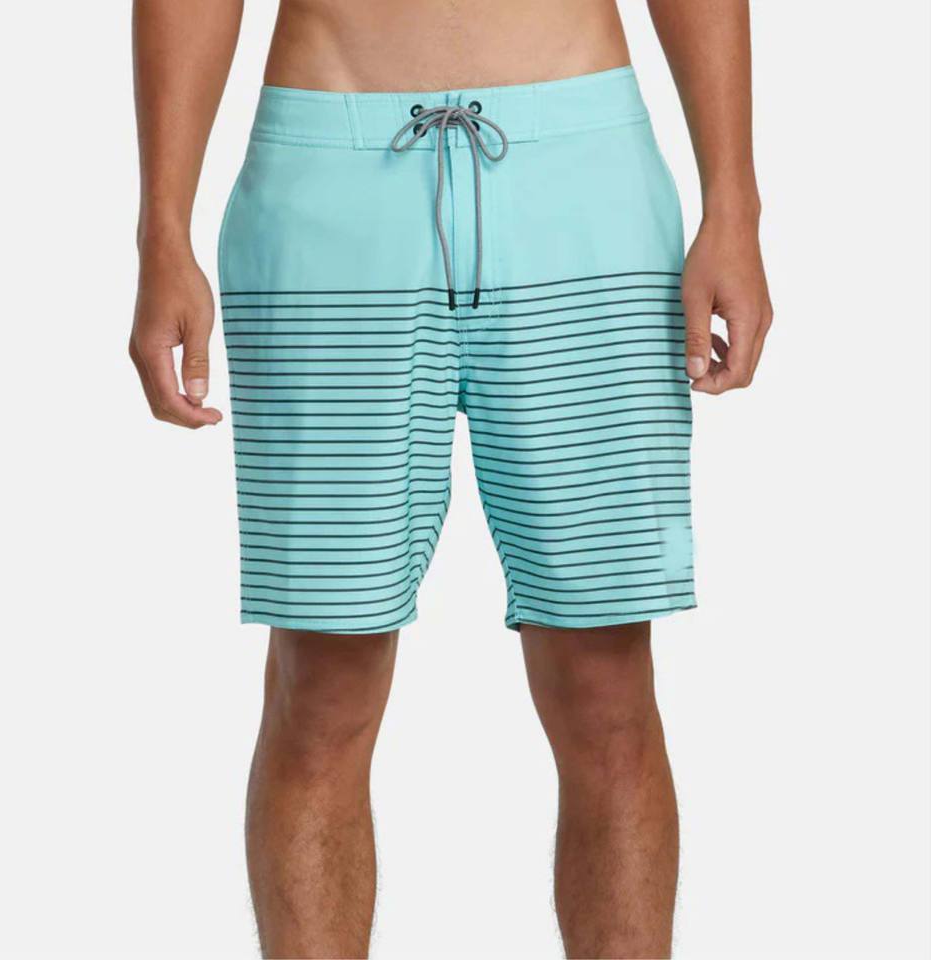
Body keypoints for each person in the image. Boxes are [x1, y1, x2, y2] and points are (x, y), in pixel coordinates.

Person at [130, 0, 772, 955]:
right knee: (322, 681)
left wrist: (734, 205)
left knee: (605, 679)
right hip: (327, 180)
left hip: (583, 178)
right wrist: (162, 231)